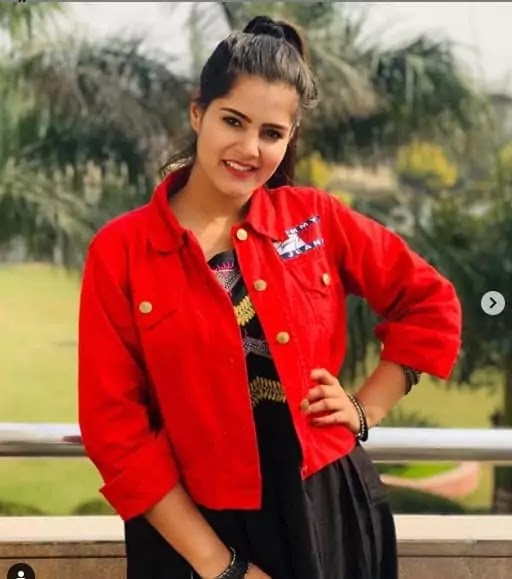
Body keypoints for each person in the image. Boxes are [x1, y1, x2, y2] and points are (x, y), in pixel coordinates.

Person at [77, 15, 462, 579]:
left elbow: (431, 302)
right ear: (197, 112)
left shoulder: (315, 219)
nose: (249, 148)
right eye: (233, 121)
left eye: (272, 133)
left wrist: (366, 407)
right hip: (192, 537)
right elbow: (115, 430)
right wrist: (222, 566)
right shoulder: (122, 251)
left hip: (327, 511)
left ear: (290, 137)